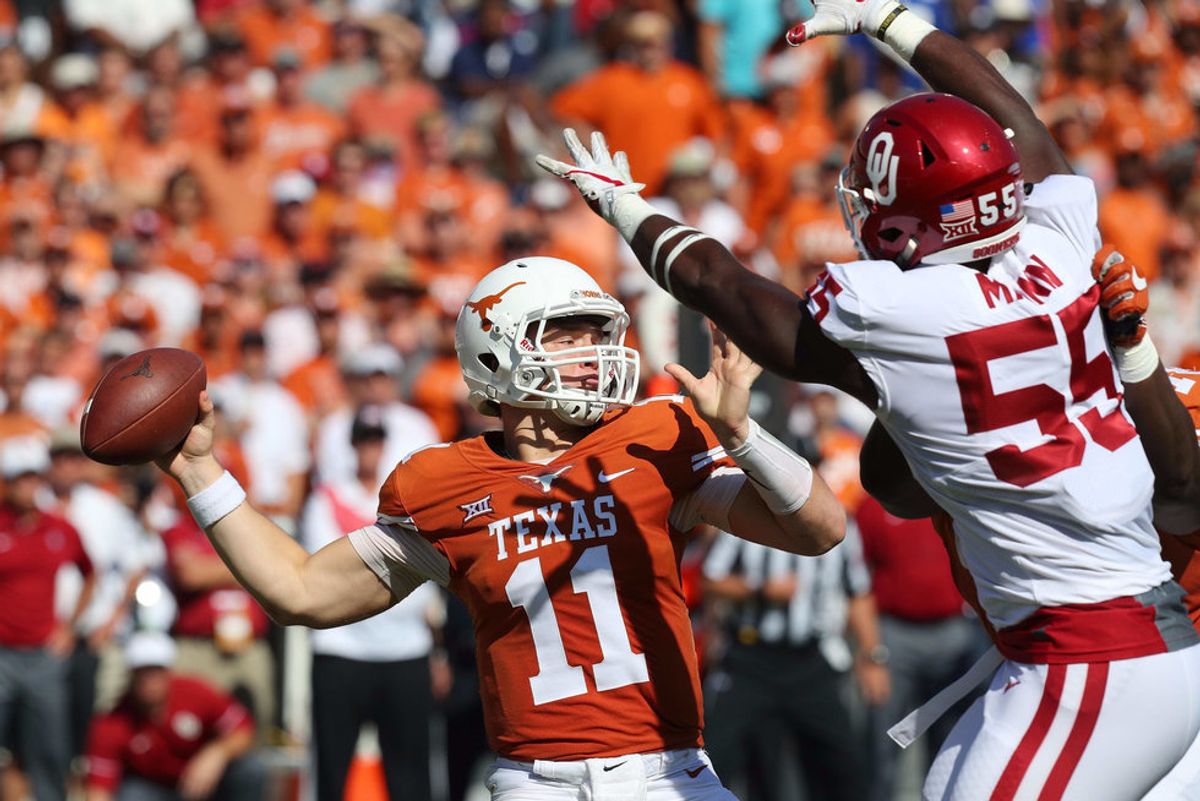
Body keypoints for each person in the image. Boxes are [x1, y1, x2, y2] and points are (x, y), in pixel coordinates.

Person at [536, 4, 1200, 796]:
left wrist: (625, 207)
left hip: (1091, 654)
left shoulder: (904, 312)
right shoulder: (1059, 250)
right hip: (1099, 642)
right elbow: (1017, 121)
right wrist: (892, 19)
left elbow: (724, 287)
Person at [154, 256, 846, 801]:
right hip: (536, 782)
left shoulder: (653, 438)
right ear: (495, 353)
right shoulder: (442, 486)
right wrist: (199, 470)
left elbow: (819, 529)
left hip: (670, 774)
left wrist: (743, 435)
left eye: (597, 334)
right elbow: (299, 590)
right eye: (566, 334)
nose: (592, 352)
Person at [300, 405, 442, 801]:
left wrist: (437, 651)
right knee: (332, 774)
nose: (370, 449)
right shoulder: (326, 499)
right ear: (352, 445)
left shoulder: (404, 499)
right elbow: (325, 573)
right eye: (364, 440)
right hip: (341, 650)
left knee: (411, 779)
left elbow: (425, 577)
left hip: (406, 651)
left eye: (376, 440)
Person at [0, 437, 94, 801]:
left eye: (33, 478)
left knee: (51, 749)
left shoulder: (59, 528)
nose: (28, 487)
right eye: (20, 479)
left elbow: (90, 572)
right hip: (2, 653)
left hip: (44, 654)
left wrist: (69, 627)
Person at [83, 631, 265, 801]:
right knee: (132, 795)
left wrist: (217, 753)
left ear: (168, 671)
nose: (149, 680)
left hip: (206, 785)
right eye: (142, 673)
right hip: (156, 789)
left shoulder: (195, 693)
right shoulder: (114, 721)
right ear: (131, 676)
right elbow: (98, 789)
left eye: (155, 671)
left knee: (251, 769)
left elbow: (243, 730)